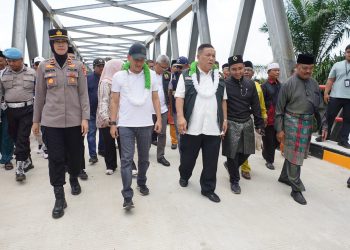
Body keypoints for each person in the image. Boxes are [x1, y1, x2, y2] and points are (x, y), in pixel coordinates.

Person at [32, 28, 90, 218]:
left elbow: (83, 94)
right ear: (52, 44)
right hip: (52, 122)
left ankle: (73, 177)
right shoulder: (43, 67)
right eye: (57, 42)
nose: (60, 44)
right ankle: (59, 196)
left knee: (75, 156)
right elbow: (39, 95)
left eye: (63, 41)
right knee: (55, 159)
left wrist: (85, 118)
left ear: (67, 44)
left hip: (74, 121)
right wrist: (36, 121)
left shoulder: (78, 66)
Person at [110, 43, 162, 210]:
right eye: (136, 59)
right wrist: (113, 123)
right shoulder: (119, 76)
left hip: (146, 124)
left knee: (144, 158)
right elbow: (115, 101)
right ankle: (127, 195)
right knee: (126, 160)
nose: (139, 63)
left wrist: (159, 119)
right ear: (129, 58)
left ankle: (141, 182)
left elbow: (155, 98)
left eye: (142, 60)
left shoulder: (152, 75)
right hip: (125, 124)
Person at [175, 44, 227, 203]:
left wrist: (225, 119)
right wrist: (181, 117)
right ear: (198, 57)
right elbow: (179, 97)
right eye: (208, 55)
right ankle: (184, 175)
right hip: (192, 126)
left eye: (214, 55)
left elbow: (224, 99)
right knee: (188, 158)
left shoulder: (219, 77)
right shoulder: (186, 76)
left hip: (213, 127)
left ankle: (208, 189)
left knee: (211, 162)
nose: (212, 58)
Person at [275, 54, 327, 205]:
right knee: (295, 154)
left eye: (311, 68)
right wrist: (280, 129)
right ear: (297, 67)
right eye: (305, 68)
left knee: (297, 153)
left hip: (307, 123)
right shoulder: (288, 84)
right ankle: (295, 188)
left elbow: (320, 108)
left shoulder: (315, 84)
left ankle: (285, 176)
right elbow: (279, 110)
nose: (308, 71)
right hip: (291, 121)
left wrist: (324, 124)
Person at [222, 55, 264, 194]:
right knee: (232, 153)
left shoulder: (250, 84)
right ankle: (234, 180)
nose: (238, 72)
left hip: (247, 122)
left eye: (240, 68)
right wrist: (222, 122)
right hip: (231, 122)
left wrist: (259, 123)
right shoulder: (224, 84)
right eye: (234, 69)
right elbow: (220, 106)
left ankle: (230, 166)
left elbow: (256, 105)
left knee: (247, 151)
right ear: (229, 70)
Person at [0, 48, 35, 182]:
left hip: (27, 110)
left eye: (14, 61)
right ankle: (28, 160)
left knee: (22, 137)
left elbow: (39, 91)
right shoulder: (3, 74)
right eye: (9, 61)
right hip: (10, 111)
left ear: (21, 60)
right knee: (15, 136)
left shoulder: (32, 73)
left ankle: (19, 167)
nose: (11, 63)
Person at [239, 60, 267, 179]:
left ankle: (237, 163)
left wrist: (264, 116)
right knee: (240, 144)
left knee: (251, 146)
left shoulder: (257, 86)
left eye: (249, 70)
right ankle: (244, 168)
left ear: (253, 72)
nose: (246, 72)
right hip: (238, 117)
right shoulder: (235, 83)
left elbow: (261, 103)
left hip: (253, 118)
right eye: (244, 69)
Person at [319, 44, 350, 148]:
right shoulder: (337, 65)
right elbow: (330, 80)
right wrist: (326, 93)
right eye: (348, 52)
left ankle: (343, 140)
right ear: (345, 53)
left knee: (348, 119)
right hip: (336, 96)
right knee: (329, 116)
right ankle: (323, 135)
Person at [97, 59, 123, 175]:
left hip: (121, 118)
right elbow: (103, 101)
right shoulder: (106, 82)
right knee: (109, 143)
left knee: (123, 142)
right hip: (106, 119)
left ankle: (127, 164)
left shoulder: (121, 81)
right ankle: (111, 165)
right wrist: (106, 118)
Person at [261, 62, 282, 170]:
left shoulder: (281, 85)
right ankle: (269, 161)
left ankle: (265, 151)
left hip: (278, 118)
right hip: (268, 118)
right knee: (269, 140)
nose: (277, 72)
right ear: (269, 72)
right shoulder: (264, 86)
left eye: (278, 70)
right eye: (275, 70)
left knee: (276, 141)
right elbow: (261, 103)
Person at [152, 55, 171, 166]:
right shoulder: (148, 74)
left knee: (162, 133)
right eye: (162, 67)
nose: (164, 70)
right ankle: (143, 153)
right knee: (146, 134)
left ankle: (160, 156)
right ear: (156, 64)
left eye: (166, 68)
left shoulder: (167, 76)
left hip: (163, 109)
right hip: (148, 110)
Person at [87, 58, 105, 164]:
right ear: (94, 67)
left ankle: (101, 150)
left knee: (103, 134)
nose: (101, 68)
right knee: (91, 135)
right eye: (99, 66)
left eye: (103, 66)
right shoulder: (88, 78)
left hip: (103, 112)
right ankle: (93, 155)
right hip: (91, 112)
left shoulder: (107, 78)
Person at [0, 50, 14, 171]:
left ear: (5, 60)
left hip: (8, 107)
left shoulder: (11, 72)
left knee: (7, 133)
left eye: (0, 60)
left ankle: (7, 158)